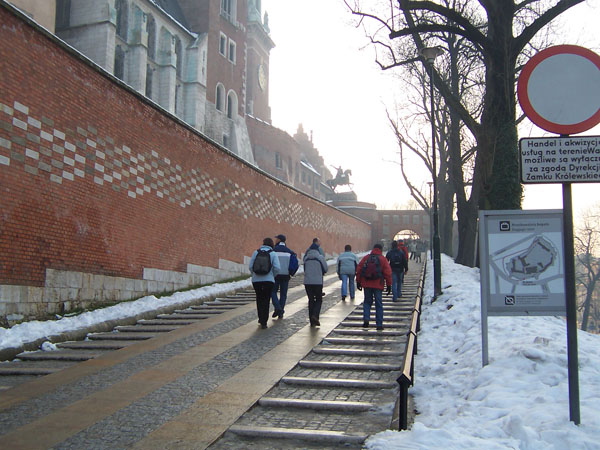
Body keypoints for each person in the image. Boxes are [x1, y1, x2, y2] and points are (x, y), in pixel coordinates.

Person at [356, 243, 392, 331]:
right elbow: (388, 273)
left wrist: (358, 281)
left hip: (367, 283)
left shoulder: (366, 258)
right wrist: (389, 284)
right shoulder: (382, 259)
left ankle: (366, 320)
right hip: (378, 284)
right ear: (381, 249)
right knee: (378, 304)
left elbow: (359, 269)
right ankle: (379, 324)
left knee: (367, 302)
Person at [249, 237, 281, 329]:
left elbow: (251, 266)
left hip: (256, 281)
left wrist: (255, 274)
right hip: (268, 280)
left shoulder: (256, 252)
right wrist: (272, 276)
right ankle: (264, 321)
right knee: (266, 299)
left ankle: (260, 318)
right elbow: (277, 268)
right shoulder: (273, 254)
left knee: (259, 298)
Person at [271, 234, 298, 319]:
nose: (275, 240)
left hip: (275, 275)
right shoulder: (289, 252)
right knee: (283, 294)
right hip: (286, 275)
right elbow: (295, 264)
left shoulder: (273, 251)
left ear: (279, 240)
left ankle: (278, 308)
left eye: (276, 239)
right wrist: (291, 273)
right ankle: (281, 311)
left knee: (273, 292)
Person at [303, 239, 328, 326]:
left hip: (308, 282)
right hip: (317, 281)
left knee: (311, 300)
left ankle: (311, 320)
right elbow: (325, 269)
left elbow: (304, 269)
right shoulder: (320, 258)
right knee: (318, 299)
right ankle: (315, 315)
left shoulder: (306, 258)